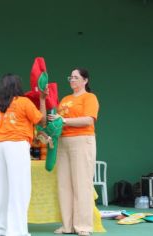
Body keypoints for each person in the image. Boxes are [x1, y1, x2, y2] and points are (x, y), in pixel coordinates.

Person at [0, 73, 47, 236]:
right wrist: (43, 99)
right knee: (19, 188)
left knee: (4, 189)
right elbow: (42, 120)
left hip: (0, 145)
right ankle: (16, 232)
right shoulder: (24, 102)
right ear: (17, 86)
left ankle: (2, 229)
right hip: (16, 145)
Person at [48, 68, 99, 236]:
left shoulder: (89, 97)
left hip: (82, 140)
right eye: (70, 77)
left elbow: (88, 119)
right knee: (64, 184)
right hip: (63, 141)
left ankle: (83, 226)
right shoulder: (65, 99)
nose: (72, 80)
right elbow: (59, 121)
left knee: (82, 184)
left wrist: (64, 120)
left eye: (76, 78)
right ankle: (67, 225)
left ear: (85, 81)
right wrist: (52, 128)